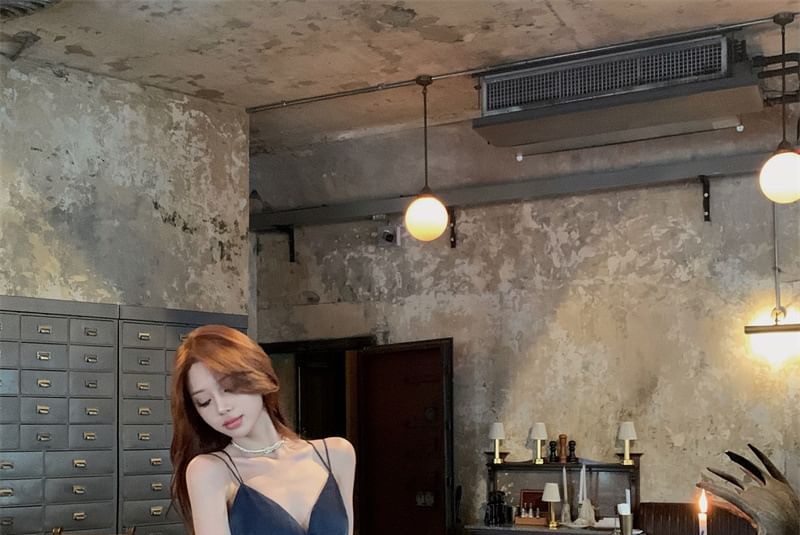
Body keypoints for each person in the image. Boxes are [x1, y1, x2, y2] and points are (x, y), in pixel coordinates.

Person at [170, 324, 355, 535]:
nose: (221, 408)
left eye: (229, 388)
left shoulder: (337, 454)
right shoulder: (210, 471)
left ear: (258, 374)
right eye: (204, 401)